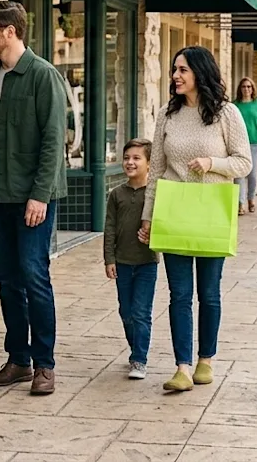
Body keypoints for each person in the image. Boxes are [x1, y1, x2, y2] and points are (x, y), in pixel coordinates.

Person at [0, 1, 67, 396]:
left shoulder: (44, 76)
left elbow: (53, 141)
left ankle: (45, 364)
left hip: (33, 198)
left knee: (34, 276)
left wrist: (39, 196)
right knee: (8, 281)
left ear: (9, 31)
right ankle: (18, 360)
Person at [139, 46, 251, 393]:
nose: (175, 75)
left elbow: (243, 162)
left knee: (209, 293)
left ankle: (206, 359)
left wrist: (211, 163)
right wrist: (147, 217)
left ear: (200, 73)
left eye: (183, 70)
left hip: (210, 212)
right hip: (174, 211)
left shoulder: (226, 114)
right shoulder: (167, 116)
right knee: (179, 295)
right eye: (174, 69)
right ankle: (183, 367)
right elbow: (156, 169)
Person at [104, 139, 157, 380]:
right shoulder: (116, 194)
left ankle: (139, 359)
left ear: (149, 163)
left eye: (137, 158)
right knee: (126, 311)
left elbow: (164, 226)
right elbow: (110, 228)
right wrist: (109, 258)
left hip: (147, 262)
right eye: (127, 157)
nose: (130, 162)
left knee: (141, 311)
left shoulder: (155, 195)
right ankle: (135, 348)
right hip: (123, 262)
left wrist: (152, 235)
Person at [233, 77, 257, 215]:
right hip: (238, 143)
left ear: (252, 89)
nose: (246, 89)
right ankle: (240, 204)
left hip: (254, 143)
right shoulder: (235, 105)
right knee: (239, 175)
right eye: (244, 87)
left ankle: (251, 199)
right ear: (240, 89)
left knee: (252, 174)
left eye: (249, 87)